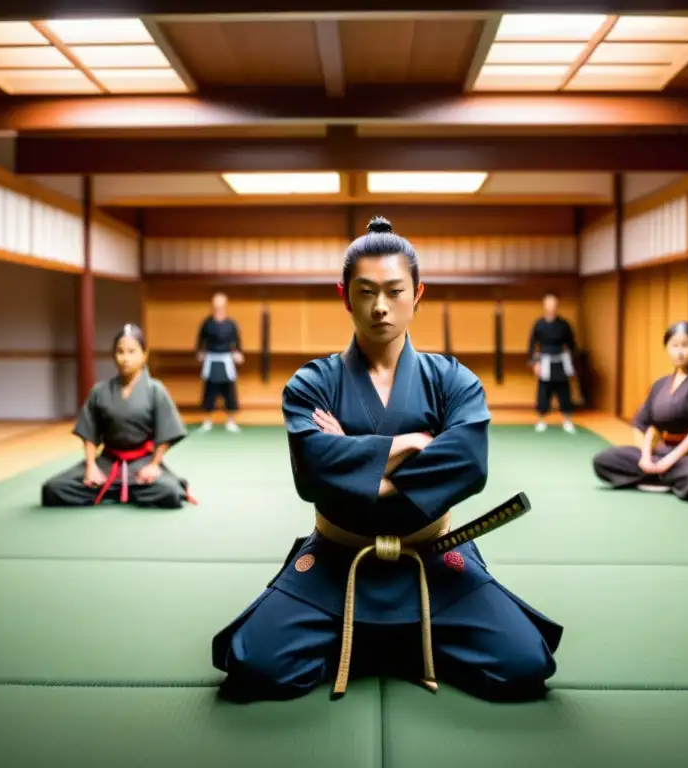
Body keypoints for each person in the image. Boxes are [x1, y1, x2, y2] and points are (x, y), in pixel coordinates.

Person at [211, 217, 562, 703]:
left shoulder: (452, 379)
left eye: (395, 291)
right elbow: (313, 472)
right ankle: (404, 641)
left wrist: (356, 463)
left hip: (432, 558)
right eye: (366, 291)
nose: (380, 307)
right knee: (254, 666)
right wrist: (411, 444)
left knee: (524, 665)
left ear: (418, 293)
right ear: (344, 294)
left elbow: (468, 464)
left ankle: (372, 641)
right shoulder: (312, 383)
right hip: (338, 558)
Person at [40, 323, 194, 509]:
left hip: (141, 463)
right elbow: (89, 432)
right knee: (52, 489)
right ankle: (123, 489)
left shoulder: (156, 390)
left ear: (144, 355)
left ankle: (114, 489)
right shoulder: (100, 391)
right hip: (107, 462)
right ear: (114, 355)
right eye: (120, 352)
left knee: (169, 492)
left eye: (132, 351)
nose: (125, 358)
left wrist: (154, 464)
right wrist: (91, 466)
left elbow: (167, 431)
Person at [592, 321, 688, 503]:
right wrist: (646, 457)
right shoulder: (660, 384)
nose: (679, 352)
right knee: (604, 460)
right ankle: (668, 479)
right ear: (667, 349)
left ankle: (662, 478)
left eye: (686, 345)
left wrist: (669, 460)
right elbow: (650, 425)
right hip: (660, 452)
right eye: (674, 346)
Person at [528, 293, 577, 433]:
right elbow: (532, 344)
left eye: (554, 304)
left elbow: (572, 344)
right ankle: (541, 419)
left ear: (557, 306)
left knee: (564, 390)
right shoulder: (539, 324)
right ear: (544, 306)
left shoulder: (564, 325)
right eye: (548, 304)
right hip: (545, 361)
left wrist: (571, 363)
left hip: (561, 360)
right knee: (543, 391)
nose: (551, 307)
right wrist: (535, 363)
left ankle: (567, 420)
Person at [196, 292, 244, 432]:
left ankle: (230, 421)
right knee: (209, 390)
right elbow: (200, 340)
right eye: (216, 305)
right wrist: (200, 351)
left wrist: (238, 352)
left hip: (227, 359)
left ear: (225, 306)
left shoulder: (231, 324)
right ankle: (207, 421)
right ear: (212, 306)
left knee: (229, 391)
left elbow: (237, 340)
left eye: (221, 305)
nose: (218, 308)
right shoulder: (207, 323)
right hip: (211, 358)